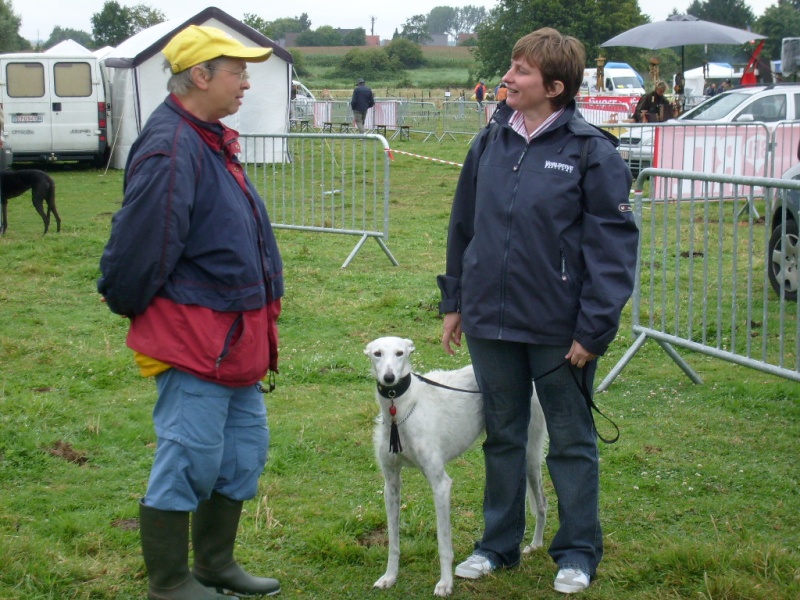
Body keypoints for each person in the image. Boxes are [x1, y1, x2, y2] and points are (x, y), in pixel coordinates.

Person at [438, 27, 638, 595]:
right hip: (489, 321)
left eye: (521, 71)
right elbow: (463, 226)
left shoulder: (590, 151)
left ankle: (576, 552)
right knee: (502, 433)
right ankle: (497, 545)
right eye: (511, 66)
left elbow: (613, 249)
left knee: (570, 440)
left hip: (560, 329)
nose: (508, 78)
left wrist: (594, 329)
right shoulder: (489, 142)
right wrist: (455, 301)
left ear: (554, 86)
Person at [97, 25, 284, 600]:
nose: (247, 82)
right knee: (189, 459)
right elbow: (138, 251)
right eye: (238, 71)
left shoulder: (205, 137)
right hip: (199, 341)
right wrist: (144, 315)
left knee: (241, 457)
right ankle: (170, 582)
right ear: (199, 76)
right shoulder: (171, 146)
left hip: (236, 339)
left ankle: (213, 564)